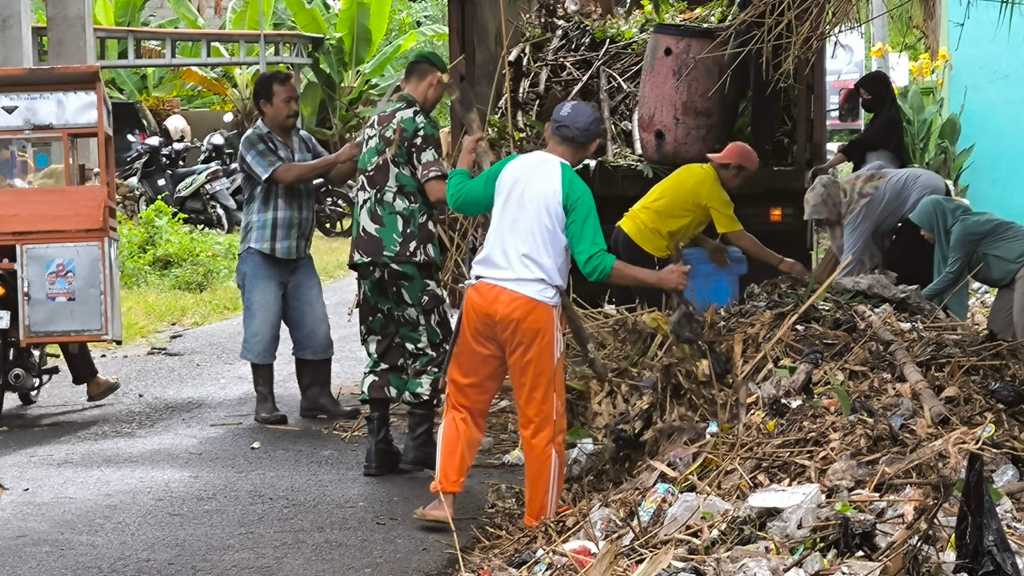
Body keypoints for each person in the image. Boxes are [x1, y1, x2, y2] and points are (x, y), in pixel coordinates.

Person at [414, 101, 689, 528]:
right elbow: (595, 264)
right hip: (532, 309)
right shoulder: (574, 189)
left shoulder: (510, 167)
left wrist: (464, 157)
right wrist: (662, 280)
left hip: (483, 297)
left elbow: (460, 199)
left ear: (547, 131)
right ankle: (540, 515)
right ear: (594, 145)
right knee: (542, 417)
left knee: (464, 404)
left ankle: (444, 500)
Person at [236, 71, 362, 426]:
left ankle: (316, 397)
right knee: (263, 332)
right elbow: (286, 175)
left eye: (295, 99)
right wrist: (337, 155)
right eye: (287, 101)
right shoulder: (253, 141)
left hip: (298, 254)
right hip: (261, 253)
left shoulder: (303, 139)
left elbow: (336, 175)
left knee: (316, 330)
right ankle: (265, 403)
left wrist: (356, 155)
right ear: (264, 106)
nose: (294, 107)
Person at [351, 51, 453, 476]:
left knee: (382, 341)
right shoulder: (419, 123)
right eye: (441, 91)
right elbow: (436, 193)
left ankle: (378, 446)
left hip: (368, 253)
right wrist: (462, 170)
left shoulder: (375, 122)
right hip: (409, 252)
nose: (440, 100)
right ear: (433, 81)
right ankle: (419, 443)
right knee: (428, 340)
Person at [611, 141, 808, 308]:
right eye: (744, 179)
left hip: (623, 233)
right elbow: (737, 236)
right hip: (644, 244)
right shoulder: (715, 192)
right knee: (654, 313)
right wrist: (781, 262)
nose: (743, 185)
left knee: (626, 308)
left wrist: (708, 244)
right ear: (733, 169)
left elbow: (675, 218)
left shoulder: (693, 170)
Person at [805, 167, 947, 283]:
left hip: (927, 193)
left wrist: (840, 289)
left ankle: (925, 302)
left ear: (831, 205)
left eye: (823, 216)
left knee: (903, 261)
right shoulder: (846, 192)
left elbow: (851, 257)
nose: (823, 222)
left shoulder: (858, 206)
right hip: (928, 183)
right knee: (901, 257)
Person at [910, 196, 1024, 336]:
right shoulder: (959, 230)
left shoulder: (963, 229)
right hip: (1011, 277)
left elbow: (951, 275)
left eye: (924, 226)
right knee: (999, 331)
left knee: (1021, 326)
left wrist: (918, 298)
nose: (921, 233)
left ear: (936, 220)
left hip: (1021, 268)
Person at [810, 70, 906, 176]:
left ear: (879, 93)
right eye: (861, 96)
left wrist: (827, 166)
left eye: (867, 95)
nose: (863, 101)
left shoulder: (888, 120)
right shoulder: (882, 116)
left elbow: (860, 144)